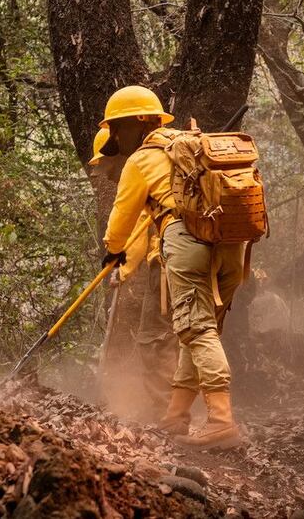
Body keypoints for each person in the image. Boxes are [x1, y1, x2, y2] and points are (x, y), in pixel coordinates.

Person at [99, 85, 246, 450]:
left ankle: (222, 422)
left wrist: (112, 252)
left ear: (139, 122)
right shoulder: (194, 142)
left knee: (196, 331)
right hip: (233, 241)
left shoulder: (141, 160)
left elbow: (121, 222)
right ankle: (175, 417)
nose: (116, 137)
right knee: (194, 333)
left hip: (185, 238)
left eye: (118, 128)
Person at [89, 128, 177, 421]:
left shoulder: (140, 167)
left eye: (106, 166)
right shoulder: (168, 161)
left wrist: (120, 265)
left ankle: (170, 414)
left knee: (154, 337)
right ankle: (187, 410)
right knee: (188, 335)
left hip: (167, 264)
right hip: (199, 258)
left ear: (115, 153)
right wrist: (124, 270)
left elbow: (130, 227)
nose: (106, 174)